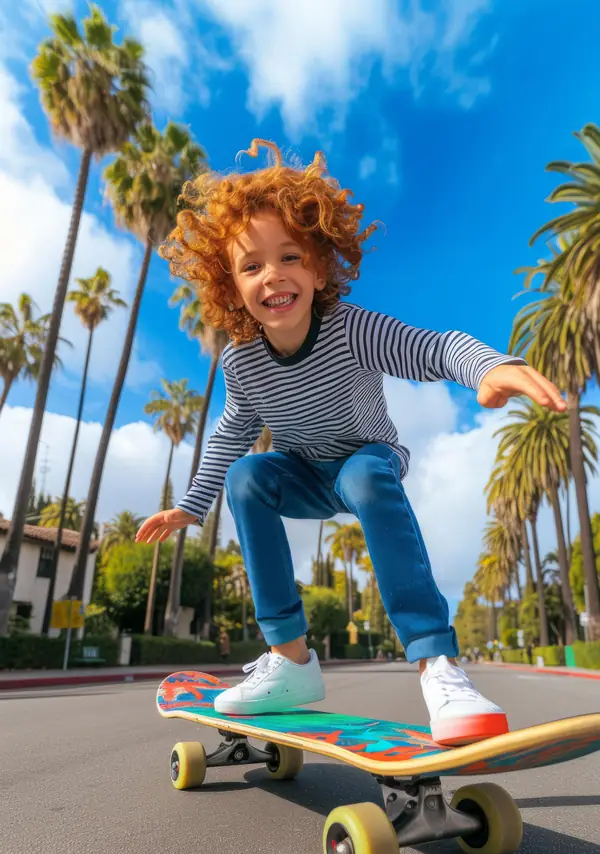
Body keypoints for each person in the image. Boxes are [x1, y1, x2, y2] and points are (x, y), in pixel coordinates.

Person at [136, 139, 567, 746]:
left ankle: (439, 666)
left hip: (367, 461)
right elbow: (231, 431)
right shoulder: (242, 364)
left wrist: (489, 367)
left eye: (289, 256)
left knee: (364, 474)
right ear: (231, 287)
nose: (273, 276)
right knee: (248, 477)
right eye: (251, 266)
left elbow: (433, 348)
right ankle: (289, 661)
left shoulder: (351, 329)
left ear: (317, 267)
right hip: (304, 473)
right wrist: (192, 504)